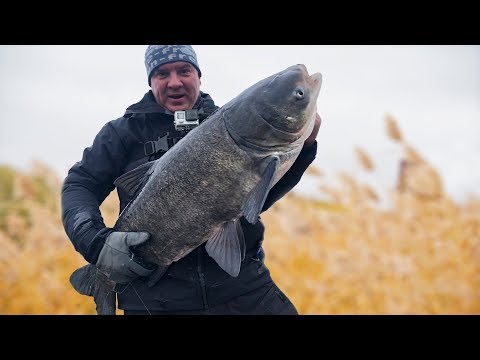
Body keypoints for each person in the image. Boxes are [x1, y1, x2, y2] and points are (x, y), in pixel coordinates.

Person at [61, 45, 321, 315]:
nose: (174, 82)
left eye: (184, 70)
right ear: (151, 80)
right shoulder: (122, 133)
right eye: (162, 73)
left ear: (198, 75)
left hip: (244, 291)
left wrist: (303, 148)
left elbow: (254, 201)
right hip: (154, 301)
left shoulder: (237, 122)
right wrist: (96, 242)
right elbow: (80, 185)